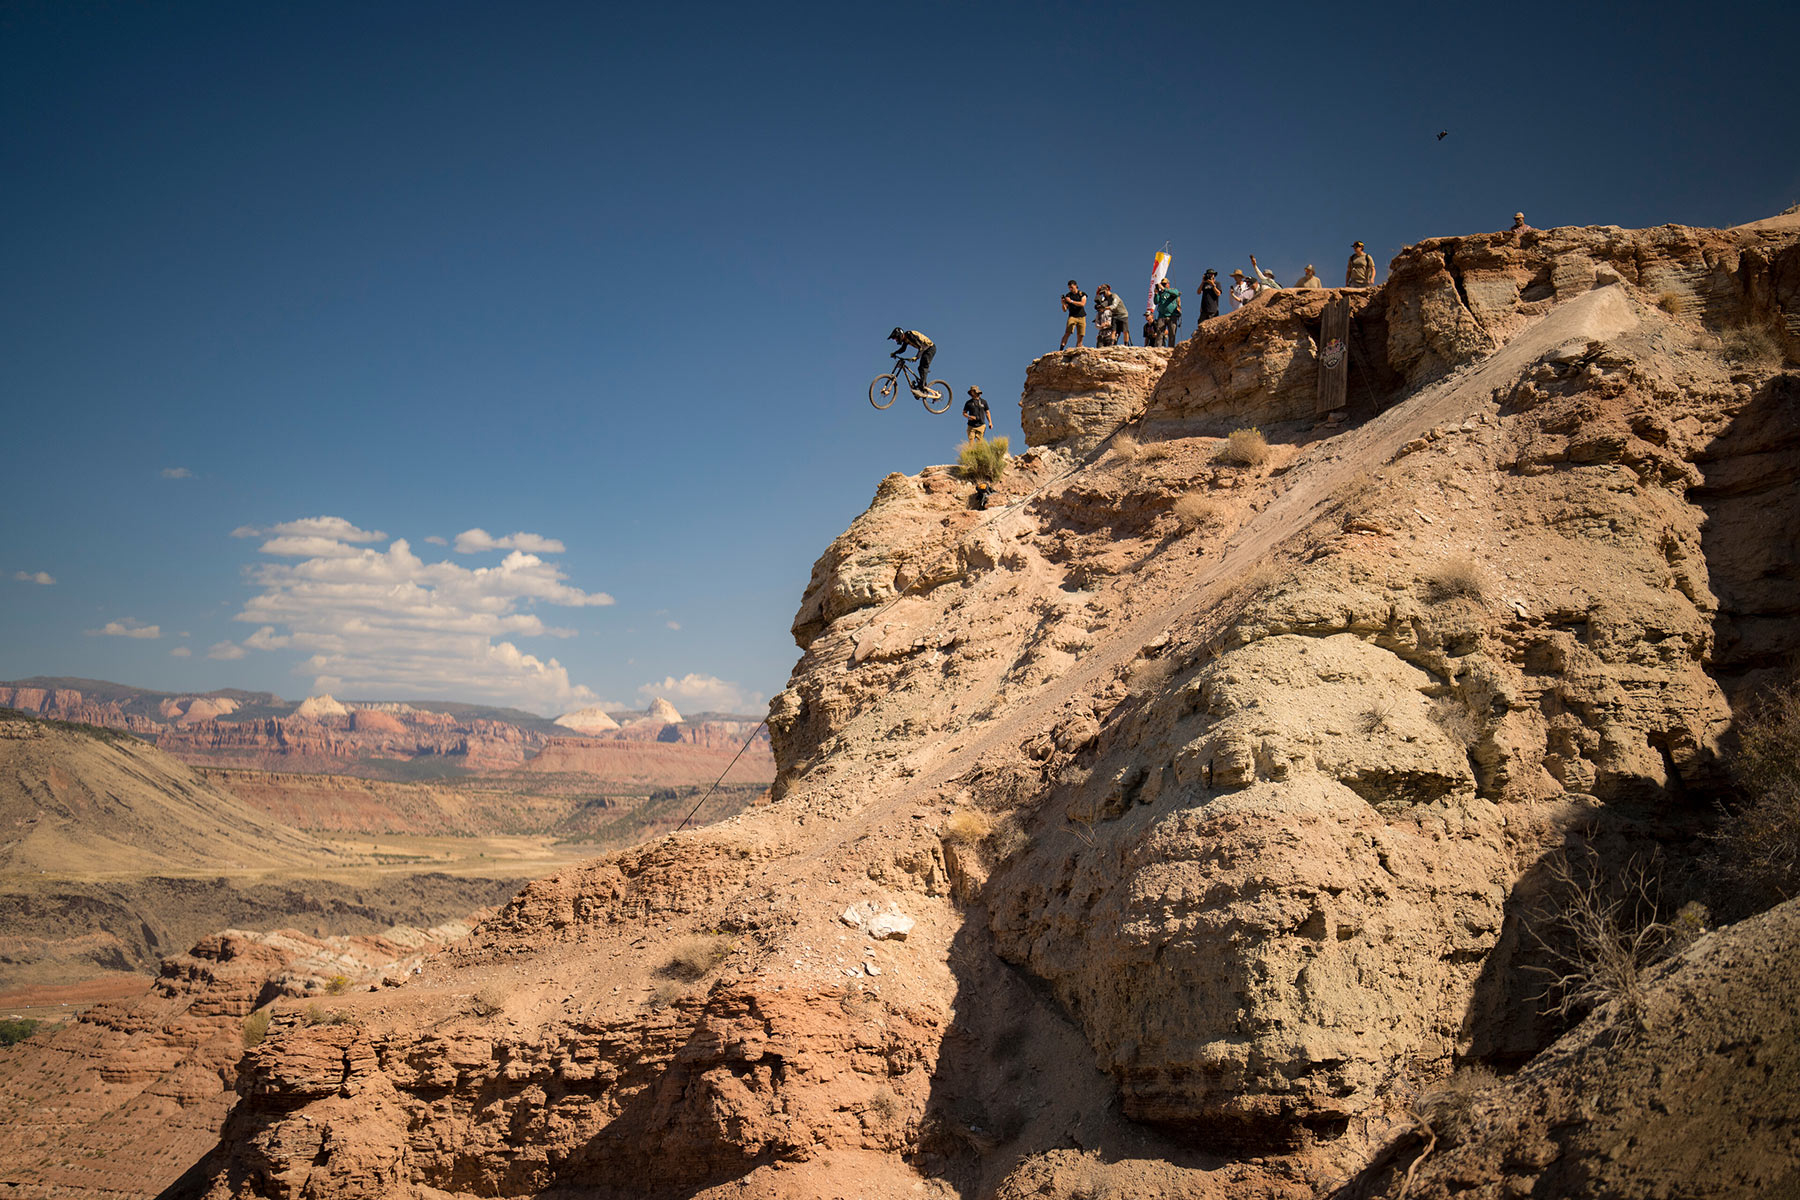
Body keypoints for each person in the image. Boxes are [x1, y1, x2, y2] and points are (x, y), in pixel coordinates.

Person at [887, 328, 936, 394]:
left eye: (896, 338)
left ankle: (922, 387)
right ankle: (922, 387)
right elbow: (903, 349)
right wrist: (895, 353)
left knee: (923, 367)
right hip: (925, 349)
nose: (896, 340)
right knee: (920, 368)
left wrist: (916, 357)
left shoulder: (910, 335)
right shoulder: (905, 339)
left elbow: (921, 347)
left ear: (899, 335)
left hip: (930, 348)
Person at [1060, 280, 1088, 349]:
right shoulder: (1068, 295)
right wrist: (1063, 303)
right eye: (1069, 288)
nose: (1070, 289)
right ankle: (1061, 349)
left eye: (1072, 287)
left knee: (1080, 335)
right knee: (1068, 332)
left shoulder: (1082, 294)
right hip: (1072, 316)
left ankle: (1078, 349)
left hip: (1081, 316)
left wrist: (1071, 301)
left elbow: (1082, 304)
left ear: (1075, 286)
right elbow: (1065, 309)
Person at [1153, 278, 1181, 345]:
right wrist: (1156, 293)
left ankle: (1171, 348)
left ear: (1168, 284)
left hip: (1172, 315)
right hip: (1162, 315)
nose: (1163, 285)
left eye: (1165, 284)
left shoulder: (1173, 290)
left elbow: (1176, 294)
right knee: (1159, 333)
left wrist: (1164, 289)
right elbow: (1156, 301)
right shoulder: (1160, 293)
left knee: (1172, 333)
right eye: (1162, 284)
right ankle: (1158, 347)